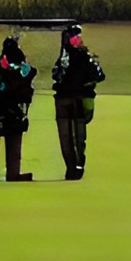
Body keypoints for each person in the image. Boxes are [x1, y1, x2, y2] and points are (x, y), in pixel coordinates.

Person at [51, 24, 105, 181]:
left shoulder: (65, 57)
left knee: (68, 137)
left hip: (65, 98)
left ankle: (73, 167)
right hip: (75, 99)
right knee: (75, 137)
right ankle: (76, 167)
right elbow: (98, 75)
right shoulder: (81, 57)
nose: (78, 39)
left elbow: (56, 76)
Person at [0, 35, 36, 181]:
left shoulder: (0, 66)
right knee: (14, 141)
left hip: (3, 111)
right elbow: (31, 72)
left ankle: (8, 173)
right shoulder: (19, 68)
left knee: (9, 138)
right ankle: (12, 173)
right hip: (15, 111)